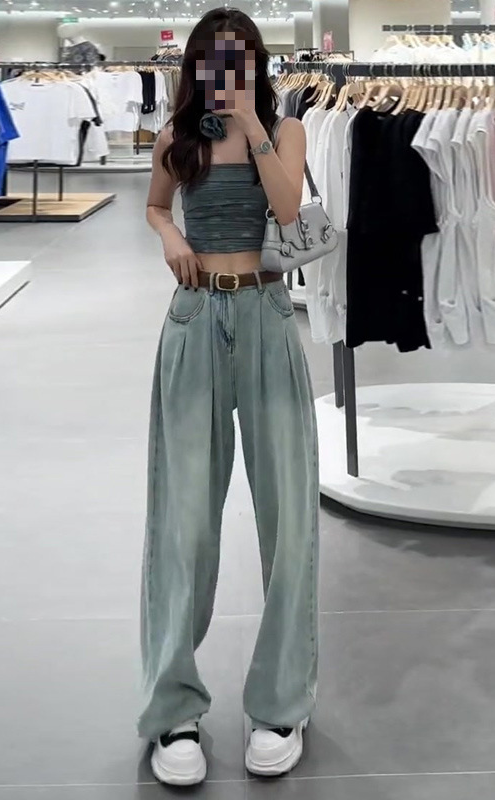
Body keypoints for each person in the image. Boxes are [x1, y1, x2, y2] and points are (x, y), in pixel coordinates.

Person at [140, 7, 319, 787]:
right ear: (194, 66)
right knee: (181, 521)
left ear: (256, 64)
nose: (226, 70)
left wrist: (250, 125)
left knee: (289, 516)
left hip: (267, 317)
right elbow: (156, 204)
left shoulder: (285, 131)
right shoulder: (175, 137)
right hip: (192, 321)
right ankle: (172, 709)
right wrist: (171, 236)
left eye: (239, 57)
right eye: (213, 58)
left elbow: (288, 209)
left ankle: (282, 701)